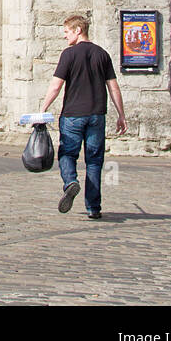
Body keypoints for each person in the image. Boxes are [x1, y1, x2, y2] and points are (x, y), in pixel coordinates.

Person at [40, 13, 126, 219]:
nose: (65, 36)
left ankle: (70, 182)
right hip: (97, 115)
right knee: (94, 161)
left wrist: (43, 109)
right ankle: (93, 207)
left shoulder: (68, 55)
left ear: (78, 30)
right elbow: (113, 88)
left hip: (73, 115)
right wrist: (121, 115)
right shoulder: (102, 54)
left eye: (67, 32)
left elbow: (56, 85)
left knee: (67, 154)